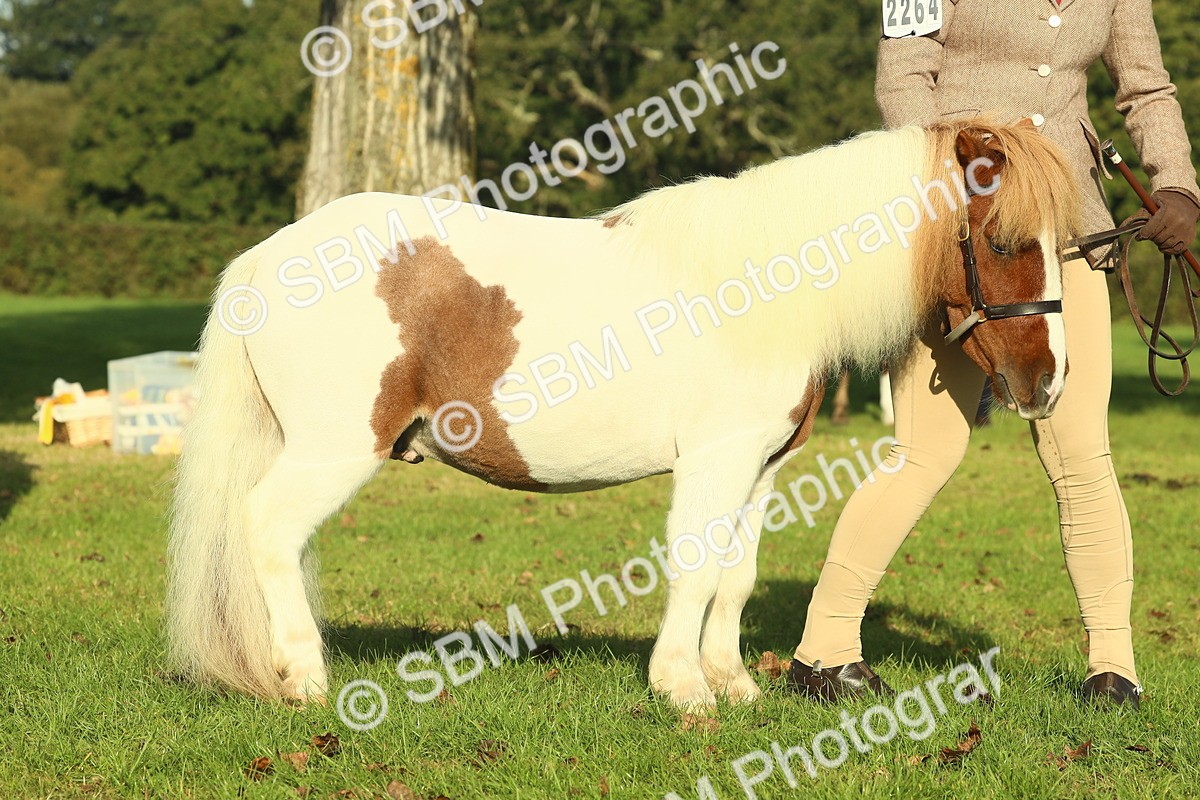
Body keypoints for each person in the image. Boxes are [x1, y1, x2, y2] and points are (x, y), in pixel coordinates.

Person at [788, 0, 1200, 708]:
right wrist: (951, 191)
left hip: (1068, 232)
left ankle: (1114, 668)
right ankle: (823, 652)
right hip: (960, 240)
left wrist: (1177, 183)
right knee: (925, 452)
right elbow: (903, 79)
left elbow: (1146, 86)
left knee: (1082, 455)